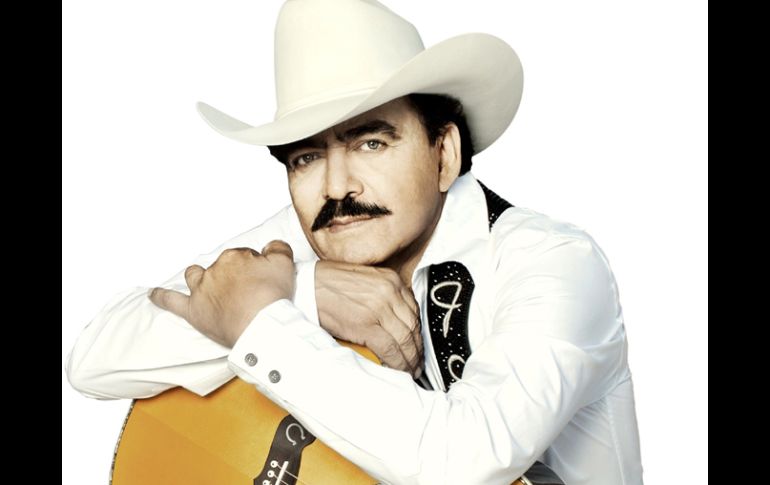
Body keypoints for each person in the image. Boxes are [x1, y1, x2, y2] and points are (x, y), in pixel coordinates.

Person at [65, 0, 643, 484]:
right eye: (306, 157)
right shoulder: (315, 235)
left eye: (372, 144)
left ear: (444, 154)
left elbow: (466, 460)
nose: (337, 186)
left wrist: (261, 321)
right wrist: (304, 293)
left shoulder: (555, 261)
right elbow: (96, 361)